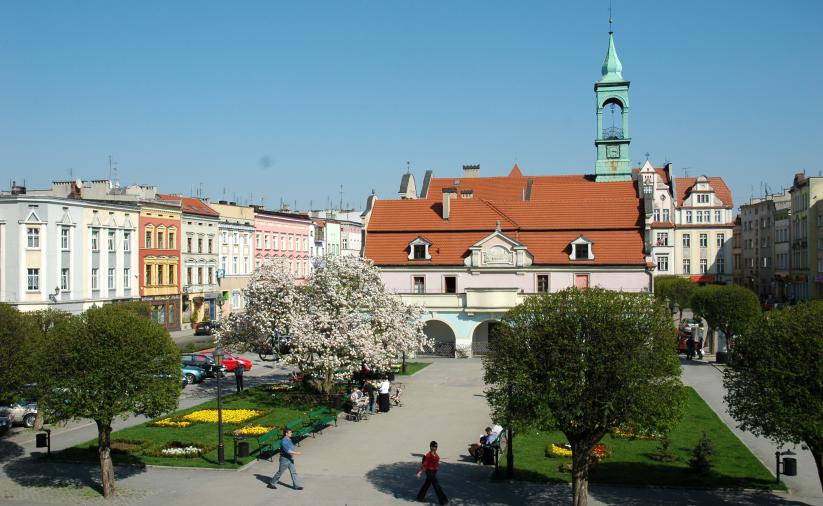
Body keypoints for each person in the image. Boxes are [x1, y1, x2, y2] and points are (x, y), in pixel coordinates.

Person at [417, 440, 448, 505]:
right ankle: (443, 500)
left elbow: (436, 463)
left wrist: (436, 468)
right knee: (436, 486)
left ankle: (420, 497)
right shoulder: (428, 455)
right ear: (431, 447)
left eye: (436, 446)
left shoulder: (435, 454)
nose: (435, 448)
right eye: (434, 446)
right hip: (429, 472)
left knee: (427, 484)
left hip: (433, 472)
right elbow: (424, 465)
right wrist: (420, 472)